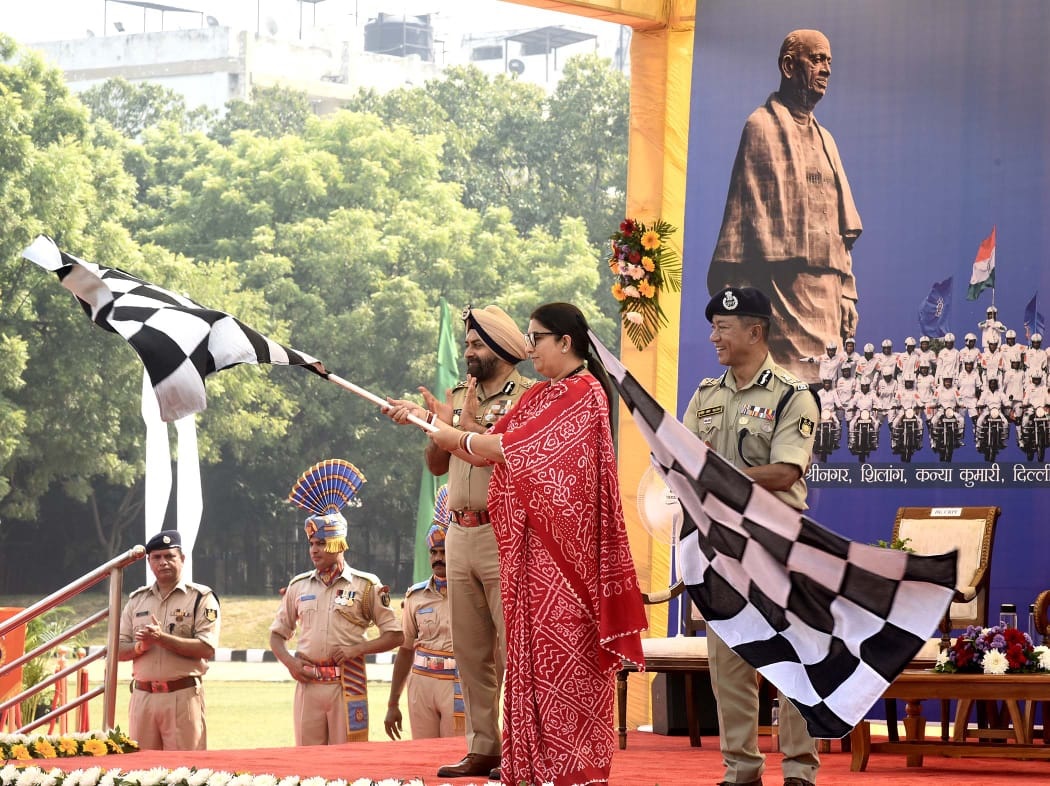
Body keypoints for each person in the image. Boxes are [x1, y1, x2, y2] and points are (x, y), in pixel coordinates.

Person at [386, 302, 647, 786]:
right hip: (509, 547)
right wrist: (432, 422)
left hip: (556, 554)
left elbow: (500, 448)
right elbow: (474, 445)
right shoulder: (542, 396)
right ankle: (514, 756)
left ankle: (571, 766)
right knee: (502, 653)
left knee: (549, 657)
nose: (531, 348)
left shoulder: (577, 393)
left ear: (563, 342)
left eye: (536, 338)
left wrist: (446, 429)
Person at [387, 305, 532, 778]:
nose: (468, 352)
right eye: (466, 344)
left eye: (475, 344)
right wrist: (435, 426)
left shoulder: (530, 398)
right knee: (470, 651)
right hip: (458, 530)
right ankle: (484, 747)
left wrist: (461, 426)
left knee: (513, 650)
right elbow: (435, 465)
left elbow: (510, 458)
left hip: (503, 533)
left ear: (502, 348)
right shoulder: (455, 395)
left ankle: (518, 747)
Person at [682, 286, 820, 786]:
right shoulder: (705, 395)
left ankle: (800, 772)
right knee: (729, 661)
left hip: (776, 544)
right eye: (714, 326)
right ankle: (741, 771)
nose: (714, 336)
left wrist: (716, 475)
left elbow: (784, 471)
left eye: (723, 327)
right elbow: (684, 461)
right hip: (720, 546)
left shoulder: (793, 395)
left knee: (791, 659)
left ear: (755, 332)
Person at [707, 29, 862, 384]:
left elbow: (843, 231)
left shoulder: (827, 140)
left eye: (829, 62)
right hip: (781, 292)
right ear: (789, 65)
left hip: (827, 296)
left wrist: (847, 292)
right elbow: (743, 224)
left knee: (826, 394)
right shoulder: (760, 127)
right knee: (784, 394)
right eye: (817, 59)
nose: (826, 69)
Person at [270, 484, 404, 745]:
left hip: (348, 683)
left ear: (340, 544)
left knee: (347, 761)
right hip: (308, 683)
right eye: (311, 543)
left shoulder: (366, 585)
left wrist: (358, 649)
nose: (314, 550)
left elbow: (395, 635)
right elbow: (276, 635)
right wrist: (290, 663)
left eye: (321, 543)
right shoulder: (299, 586)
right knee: (308, 766)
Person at [118, 530, 220, 751]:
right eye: (157, 557)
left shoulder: (201, 598)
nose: (163, 562)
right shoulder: (137, 600)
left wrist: (161, 639)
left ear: (182, 559)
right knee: (141, 772)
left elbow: (206, 648)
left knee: (184, 771)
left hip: (182, 696)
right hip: (143, 696)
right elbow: (117, 649)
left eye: (169, 556)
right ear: (149, 561)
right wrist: (139, 646)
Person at [384, 508, 465, 741]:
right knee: (422, 752)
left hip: (458, 682)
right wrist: (392, 702)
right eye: (433, 552)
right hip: (421, 682)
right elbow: (406, 649)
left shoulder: (472, 593)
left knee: (456, 754)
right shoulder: (415, 596)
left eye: (444, 551)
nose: (438, 558)